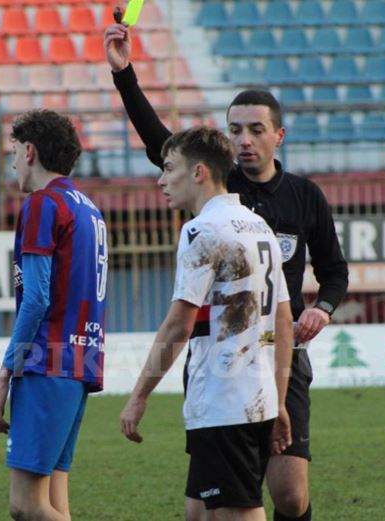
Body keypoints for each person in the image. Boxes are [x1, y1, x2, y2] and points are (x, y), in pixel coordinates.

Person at [104, 24, 349, 521]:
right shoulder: (222, 187)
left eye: (255, 129)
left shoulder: (299, 197)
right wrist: (125, 75)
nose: (244, 140)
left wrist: (323, 308)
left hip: (273, 358)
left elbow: (334, 271)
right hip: (221, 362)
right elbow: (164, 145)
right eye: (234, 130)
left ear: (278, 136)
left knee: (287, 495)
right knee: (205, 507)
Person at [120, 126, 294, 521]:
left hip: (224, 398)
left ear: (198, 172)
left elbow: (178, 326)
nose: (161, 180)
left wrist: (139, 395)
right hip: (257, 395)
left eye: (169, 168)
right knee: (199, 512)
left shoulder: (201, 230)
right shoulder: (258, 225)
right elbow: (283, 319)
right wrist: (280, 399)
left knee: (238, 512)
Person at [0, 110, 108, 521]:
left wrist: (6, 371)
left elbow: (36, 299)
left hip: (47, 361)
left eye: (14, 153)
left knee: (26, 505)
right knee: (55, 504)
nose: (13, 164)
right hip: (80, 362)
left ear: (30, 151)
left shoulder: (43, 203)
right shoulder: (88, 208)